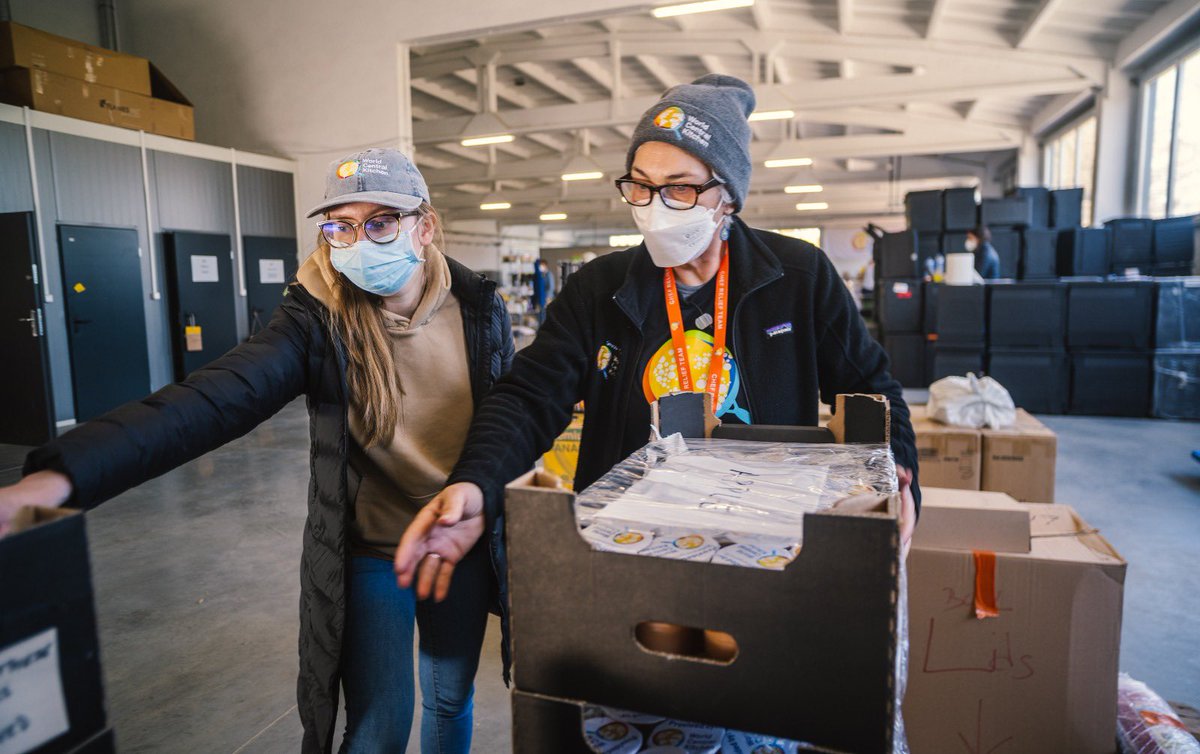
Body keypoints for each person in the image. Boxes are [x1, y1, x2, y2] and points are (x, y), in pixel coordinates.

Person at [0, 148, 514, 754]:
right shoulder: (316, 314)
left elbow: (507, 421)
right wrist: (58, 479)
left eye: (380, 222)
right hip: (373, 546)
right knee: (378, 721)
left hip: (457, 536)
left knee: (451, 696)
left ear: (423, 227)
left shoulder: (479, 307)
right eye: (341, 226)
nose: (358, 241)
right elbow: (216, 399)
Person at [393, 75, 921, 603]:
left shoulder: (797, 277)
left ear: (727, 199)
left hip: (768, 547)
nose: (655, 205)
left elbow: (871, 389)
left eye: (681, 187)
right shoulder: (601, 288)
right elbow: (529, 396)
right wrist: (476, 482)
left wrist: (897, 484)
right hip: (628, 547)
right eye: (641, 185)